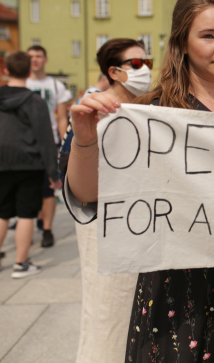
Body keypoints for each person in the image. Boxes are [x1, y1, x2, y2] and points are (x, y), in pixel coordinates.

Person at [65, 0, 214, 362]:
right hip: (181, 292)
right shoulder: (153, 110)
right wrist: (84, 138)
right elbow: (87, 195)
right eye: (208, 36)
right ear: (181, 43)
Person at [59, 38, 151, 363]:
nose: (146, 70)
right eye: (137, 64)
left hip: (145, 230)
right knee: (108, 315)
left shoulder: (151, 108)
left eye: (149, 63)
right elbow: (75, 184)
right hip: (104, 229)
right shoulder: (91, 109)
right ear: (114, 71)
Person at [0, 51, 60, 278]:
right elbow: (45, 138)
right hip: (29, 163)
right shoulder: (35, 101)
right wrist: (53, 173)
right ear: (28, 72)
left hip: (2, 162)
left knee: (2, 212)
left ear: (6, 71)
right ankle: (21, 263)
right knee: (26, 213)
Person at [26, 45, 72, 247]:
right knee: (29, 186)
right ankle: (33, 220)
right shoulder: (22, 83)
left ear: (45, 59)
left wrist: (64, 145)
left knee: (49, 187)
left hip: (49, 140)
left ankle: (47, 229)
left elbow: (62, 118)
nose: (35, 60)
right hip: (24, 143)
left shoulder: (55, 86)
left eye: (38, 56)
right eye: (31, 57)